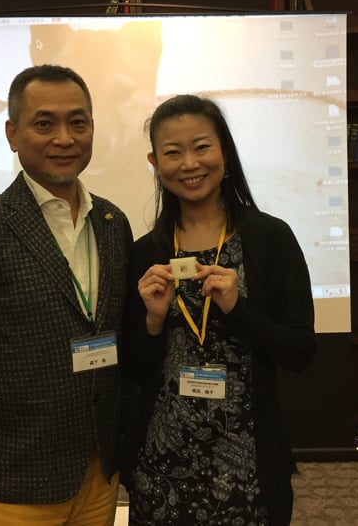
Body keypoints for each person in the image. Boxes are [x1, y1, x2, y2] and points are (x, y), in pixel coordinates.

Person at [0, 64, 133, 526]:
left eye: (77, 122)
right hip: (18, 474)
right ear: (13, 134)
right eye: (44, 124)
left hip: (99, 469)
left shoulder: (112, 222)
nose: (64, 138)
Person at [120, 94, 317, 525]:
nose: (189, 164)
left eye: (201, 147)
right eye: (173, 152)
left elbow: (300, 351)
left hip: (248, 464)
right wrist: (153, 321)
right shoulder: (146, 252)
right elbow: (134, 369)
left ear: (224, 152)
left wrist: (238, 310)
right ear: (155, 162)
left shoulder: (270, 239)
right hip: (162, 462)